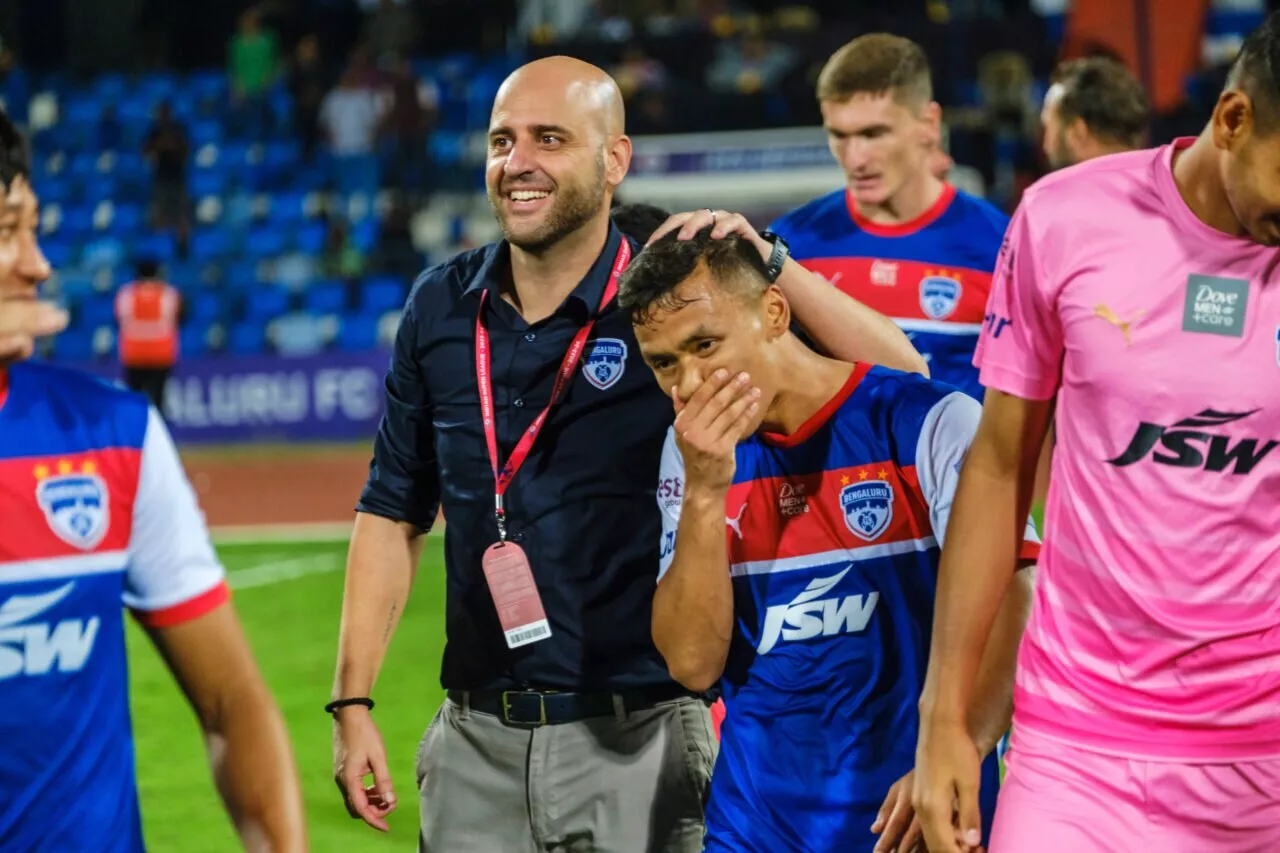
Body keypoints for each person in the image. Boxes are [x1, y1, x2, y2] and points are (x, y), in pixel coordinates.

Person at [329, 55, 926, 852]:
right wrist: (353, 701)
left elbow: (900, 370)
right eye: (502, 141)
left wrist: (769, 257)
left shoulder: (676, 276)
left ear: (615, 160)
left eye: (550, 139)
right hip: (475, 740)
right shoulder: (441, 305)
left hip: (640, 736)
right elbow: (393, 508)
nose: (518, 164)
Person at [914, 13, 1280, 853]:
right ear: (1232, 119)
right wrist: (947, 722)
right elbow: (1000, 465)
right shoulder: (1063, 217)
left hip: (1264, 766)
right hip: (1078, 757)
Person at [617, 216, 1038, 853]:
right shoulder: (694, 457)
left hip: (912, 820)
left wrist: (963, 742)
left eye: (706, 346)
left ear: (776, 313)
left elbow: (1020, 597)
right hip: (752, 828)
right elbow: (693, 663)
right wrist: (704, 495)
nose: (690, 386)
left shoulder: (927, 423)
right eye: (664, 364)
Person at [0, 110, 306, 850]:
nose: (37, 263)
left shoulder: (115, 438)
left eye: (34, 227)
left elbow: (233, 702)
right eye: (8, 229)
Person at [767, 34, 1011, 401]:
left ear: (929, 124)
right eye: (839, 135)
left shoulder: (1000, 248)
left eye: (873, 133)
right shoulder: (790, 246)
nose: (855, 159)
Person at [1040, 56, 1148, 171]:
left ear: (1078, 133)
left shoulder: (1046, 189)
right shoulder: (1165, 184)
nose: (1045, 146)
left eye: (1048, 129)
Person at [115, 258, 181, 412]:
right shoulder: (167, 293)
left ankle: (135, 434)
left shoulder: (126, 294)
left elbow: (119, 319)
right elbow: (177, 317)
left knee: (134, 399)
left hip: (134, 353)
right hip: (161, 353)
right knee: (159, 399)